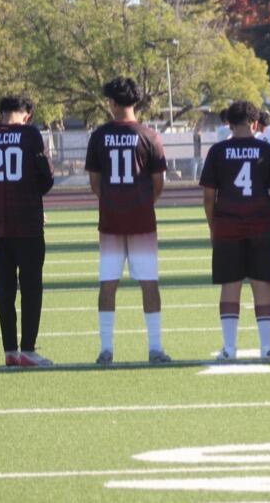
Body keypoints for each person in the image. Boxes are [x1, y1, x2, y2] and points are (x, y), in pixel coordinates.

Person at [84, 76, 170, 365]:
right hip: (142, 219)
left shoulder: (99, 136)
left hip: (110, 220)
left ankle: (106, 349)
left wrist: (112, 202)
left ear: (111, 102)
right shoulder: (149, 135)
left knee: (108, 284)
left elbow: (95, 182)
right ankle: (155, 348)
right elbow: (159, 183)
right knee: (149, 283)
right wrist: (142, 203)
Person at [199, 100, 270, 361]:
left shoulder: (217, 151)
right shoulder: (266, 150)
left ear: (228, 123)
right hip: (261, 223)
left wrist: (213, 226)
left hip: (227, 223)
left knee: (230, 285)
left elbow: (208, 196)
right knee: (262, 285)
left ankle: (229, 349)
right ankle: (267, 347)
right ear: (256, 123)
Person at [0, 95, 55, 366]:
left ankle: (10, 351)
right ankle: (28, 350)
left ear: (0, 113)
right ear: (26, 115)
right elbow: (45, 180)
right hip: (27, 223)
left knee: (5, 290)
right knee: (32, 287)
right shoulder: (30, 135)